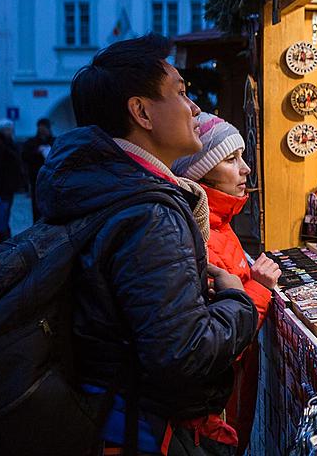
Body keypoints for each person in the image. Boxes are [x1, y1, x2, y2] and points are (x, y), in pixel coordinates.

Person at [38, 34, 258, 454]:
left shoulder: (103, 185)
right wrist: (237, 300)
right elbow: (182, 355)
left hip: (111, 420)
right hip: (148, 430)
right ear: (141, 112)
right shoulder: (148, 214)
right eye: (180, 92)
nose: (194, 107)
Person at [172, 114, 281, 455]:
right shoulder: (201, 234)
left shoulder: (219, 223)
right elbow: (219, 335)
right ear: (201, 172)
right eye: (231, 160)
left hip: (222, 401)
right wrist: (260, 288)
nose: (245, 169)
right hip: (208, 414)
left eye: (242, 157)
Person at [0, 119, 24, 242]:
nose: (10, 131)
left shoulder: (8, 143)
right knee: (3, 211)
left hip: (7, 184)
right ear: (2, 130)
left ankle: (2, 236)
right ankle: (3, 236)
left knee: (4, 211)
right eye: (8, 129)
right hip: (2, 184)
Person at [22, 117, 54, 221]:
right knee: (37, 206)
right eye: (41, 127)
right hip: (36, 178)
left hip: (52, 179)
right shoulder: (31, 143)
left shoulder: (54, 141)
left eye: (45, 127)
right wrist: (37, 152)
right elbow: (25, 156)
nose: (43, 130)